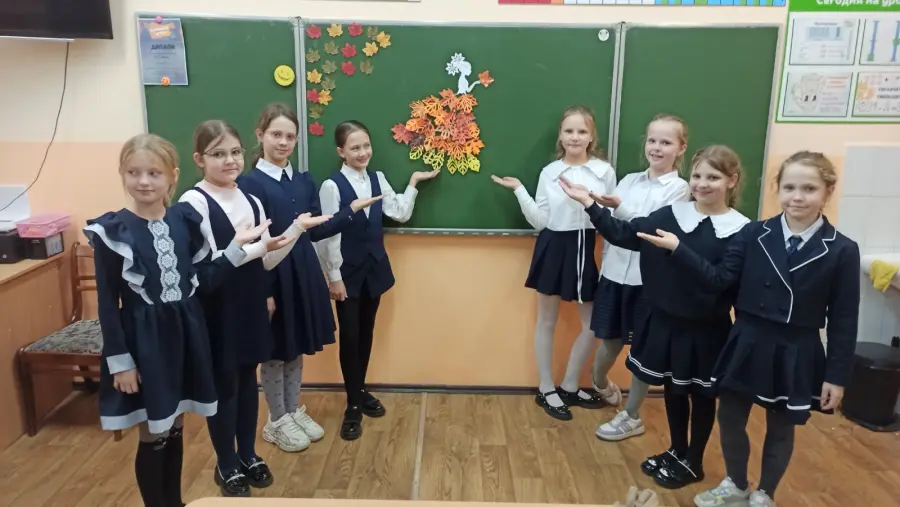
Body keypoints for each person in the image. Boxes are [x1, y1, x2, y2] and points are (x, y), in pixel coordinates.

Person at [640, 151, 860, 507]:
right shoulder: (754, 233)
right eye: (789, 187)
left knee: (780, 427)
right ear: (778, 189)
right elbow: (719, 279)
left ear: (828, 191)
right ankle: (736, 484)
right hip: (747, 340)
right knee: (729, 418)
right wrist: (679, 249)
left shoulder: (842, 250)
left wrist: (836, 376)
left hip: (795, 349)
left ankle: (765, 493)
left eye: (809, 189)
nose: (797, 197)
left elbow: (844, 318)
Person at [84, 133, 269, 507]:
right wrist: (121, 362)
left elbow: (204, 280)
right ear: (123, 175)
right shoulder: (113, 231)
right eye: (134, 173)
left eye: (154, 173)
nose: (144, 182)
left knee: (176, 428)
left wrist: (237, 249)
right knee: (154, 434)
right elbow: (106, 303)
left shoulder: (183, 221)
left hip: (185, 338)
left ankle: (175, 501)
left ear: (173, 176)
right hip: (145, 345)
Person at [559, 145, 750, 489]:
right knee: (674, 389)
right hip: (666, 322)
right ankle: (677, 451)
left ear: (732, 181)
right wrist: (589, 204)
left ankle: (693, 461)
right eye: (697, 176)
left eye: (713, 177)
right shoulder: (672, 214)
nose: (702, 184)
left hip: (706, 331)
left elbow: (720, 280)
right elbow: (624, 234)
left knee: (701, 396)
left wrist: (678, 249)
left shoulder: (741, 230)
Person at [180, 119, 331, 497]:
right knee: (225, 386)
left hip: (249, 304)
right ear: (199, 159)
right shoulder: (192, 204)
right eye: (218, 154)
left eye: (234, 152)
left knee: (248, 382)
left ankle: (247, 454)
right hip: (217, 309)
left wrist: (294, 230)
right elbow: (201, 276)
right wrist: (240, 249)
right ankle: (226, 462)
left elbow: (264, 260)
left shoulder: (251, 200)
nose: (229, 160)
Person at [238, 103, 382, 452]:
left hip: (301, 271)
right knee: (275, 349)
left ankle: (291, 410)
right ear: (260, 135)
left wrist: (348, 212)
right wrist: (263, 291)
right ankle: (276, 419)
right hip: (271, 274)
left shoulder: (302, 180)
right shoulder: (249, 183)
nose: (283, 142)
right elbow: (254, 244)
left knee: (294, 345)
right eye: (276, 135)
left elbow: (316, 230)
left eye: (290, 136)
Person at [492, 104, 617, 421]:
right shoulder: (549, 172)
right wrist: (519, 190)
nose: (575, 137)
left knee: (593, 325)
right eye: (569, 131)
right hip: (553, 245)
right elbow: (540, 221)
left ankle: (570, 385)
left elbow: (611, 220)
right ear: (560, 136)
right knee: (546, 321)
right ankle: (547, 388)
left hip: (585, 246)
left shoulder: (603, 172)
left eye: (582, 131)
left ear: (591, 137)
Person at [317, 120, 439, 440]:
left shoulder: (377, 178)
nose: (362, 152)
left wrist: (413, 182)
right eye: (354, 148)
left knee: (366, 333)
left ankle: (359, 390)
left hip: (374, 268)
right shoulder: (332, 186)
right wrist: (334, 277)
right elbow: (327, 235)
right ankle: (353, 406)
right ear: (341, 151)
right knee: (350, 336)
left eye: (366, 146)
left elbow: (399, 213)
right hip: (347, 272)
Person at [590, 114, 691, 441]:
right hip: (614, 275)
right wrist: (605, 208)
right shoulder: (629, 181)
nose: (657, 147)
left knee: (643, 351)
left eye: (666, 142)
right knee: (609, 343)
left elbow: (650, 230)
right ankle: (601, 384)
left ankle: (632, 415)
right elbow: (613, 226)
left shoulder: (680, 189)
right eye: (652, 140)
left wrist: (619, 209)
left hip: (648, 283)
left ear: (681, 148)